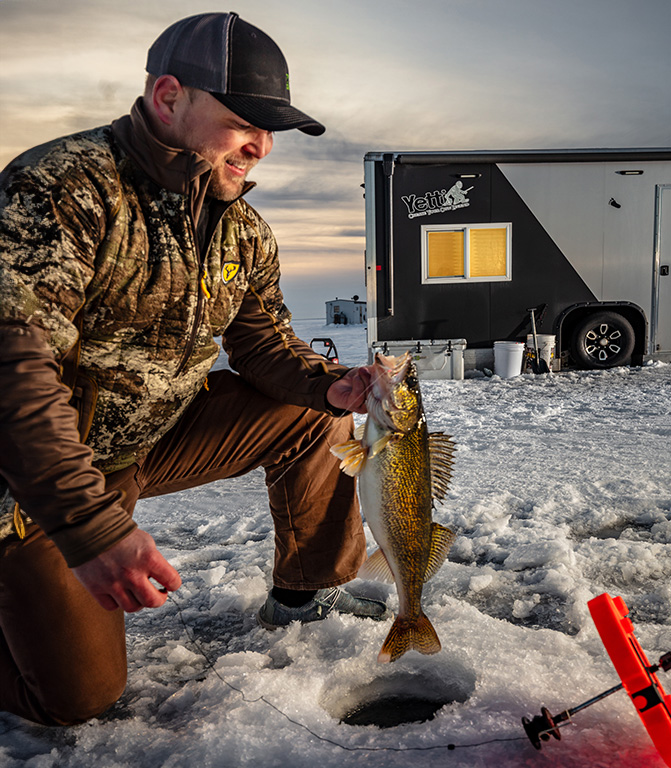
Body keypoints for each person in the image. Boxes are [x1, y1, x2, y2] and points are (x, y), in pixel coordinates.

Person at [0, 12, 387, 727]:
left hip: (147, 439)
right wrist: (89, 527)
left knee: (314, 413)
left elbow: (264, 340)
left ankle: (306, 590)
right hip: (33, 474)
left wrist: (324, 384)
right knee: (75, 699)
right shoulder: (62, 188)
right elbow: (14, 366)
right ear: (169, 96)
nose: (261, 146)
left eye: (271, 130)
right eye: (244, 120)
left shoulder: (239, 226)